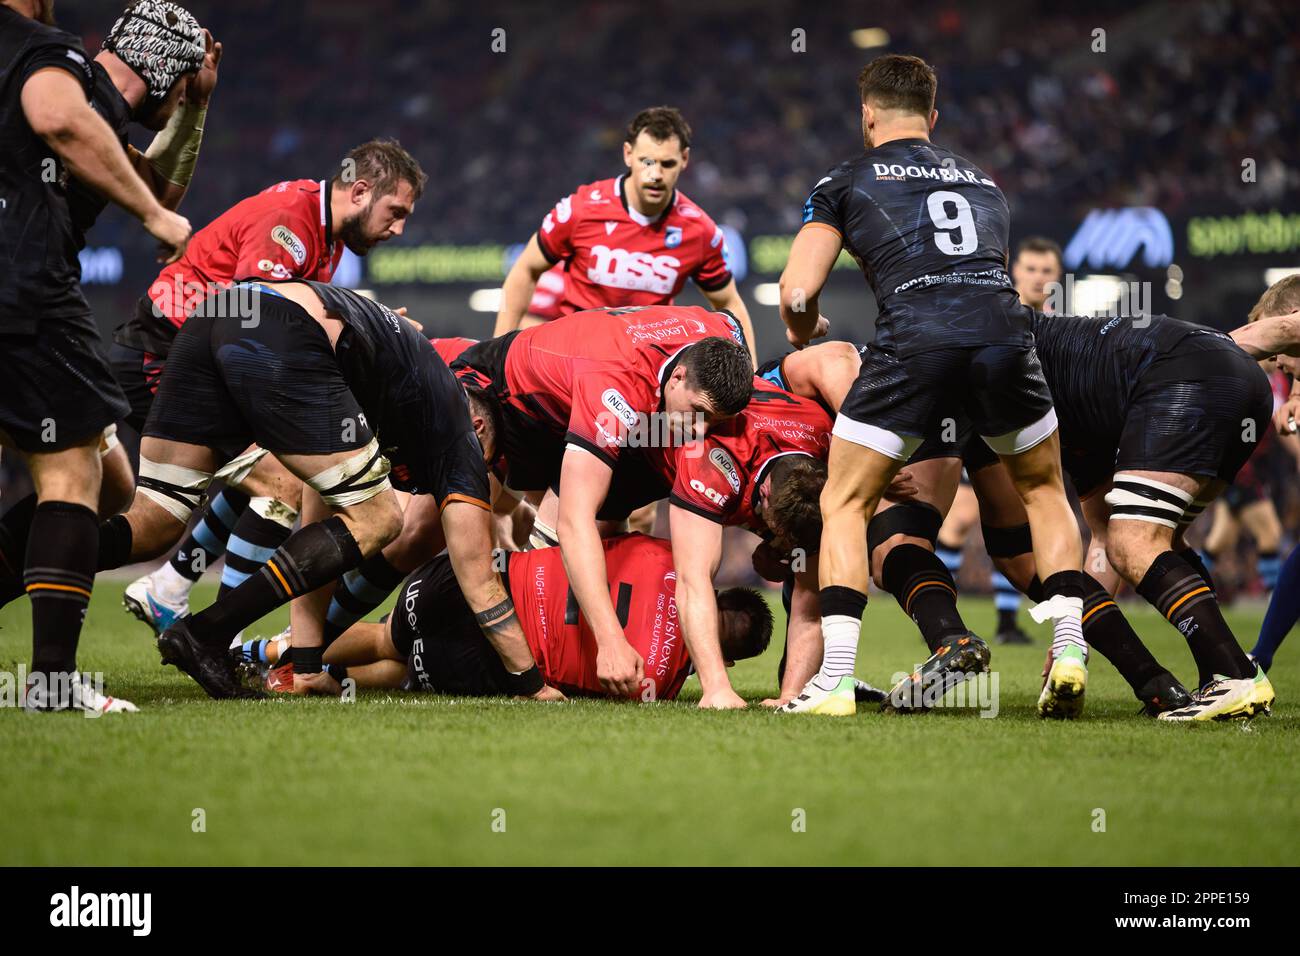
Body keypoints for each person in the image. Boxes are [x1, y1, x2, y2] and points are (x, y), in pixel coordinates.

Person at [778, 54, 1087, 715]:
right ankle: (1068, 648)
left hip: (915, 342)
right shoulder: (984, 182)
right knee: (1042, 490)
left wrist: (807, 325)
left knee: (845, 504)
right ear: (933, 117)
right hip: (1006, 336)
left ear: (867, 117)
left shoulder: (845, 179)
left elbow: (798, 288)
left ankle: (833, 679)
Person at [83, 280, 559, 703]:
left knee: (154, 521)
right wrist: (531, 684)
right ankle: (208, 631)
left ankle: (24, 556)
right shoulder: (457, 434)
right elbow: (477, 577)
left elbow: (321, 505)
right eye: (490, 461)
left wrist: (307, 665)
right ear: (479, 427)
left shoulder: (400, 394)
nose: (485, 473)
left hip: (217, 315)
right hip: (277, 328)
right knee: (380, 518)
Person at [115, 139, 425, 635]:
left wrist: (365, 325)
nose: (399, 228)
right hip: (162, 355)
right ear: (362, 190)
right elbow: (256, 321)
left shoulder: (324, 233)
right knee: (282, 482)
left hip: (194, 360)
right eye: (396, 211)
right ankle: (223, 634)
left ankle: (169, 586)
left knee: (234, 485)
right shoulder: (290, 220)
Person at [0, 0, 192, 713]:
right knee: (75, 469)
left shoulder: (86, 100)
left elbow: (144, 176)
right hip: (26, 293)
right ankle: (50, 682)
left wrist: (189, 115)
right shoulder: (46, 58)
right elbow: (60, 115)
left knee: (109, 481)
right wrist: (155, 219)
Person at [453, 303, 753, 706]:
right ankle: (512, 634)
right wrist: (611, 641)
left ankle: (539, 625)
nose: (700, 429)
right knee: (422, 532)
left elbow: (733, 318)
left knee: (612, 518)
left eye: (713, 421)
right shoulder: (615, 384)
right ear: (678, 376)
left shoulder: (725, 336)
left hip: (600, 396)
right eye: (698, 413)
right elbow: (574, 522)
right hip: (514, 400)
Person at [246, 534, 772, 703]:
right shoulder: (656, 683)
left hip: (483, 582)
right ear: (723, 658)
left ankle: (265, 652)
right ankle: (304, 681)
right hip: (489, 663)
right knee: (403, 667)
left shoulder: (670, 555)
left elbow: (604, 533)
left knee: (387, 635)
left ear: (713, 596)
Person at [493, 106, 756, 365]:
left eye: (667, 164)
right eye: (647, 162)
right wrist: (497, 353)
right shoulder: (581, 209)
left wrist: (751, 378)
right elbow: (525, 270)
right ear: (628, 154)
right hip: (574, 359)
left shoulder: (699, 231)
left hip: (645, 365)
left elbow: (730, 303)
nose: (655, 175)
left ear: (684, 159)